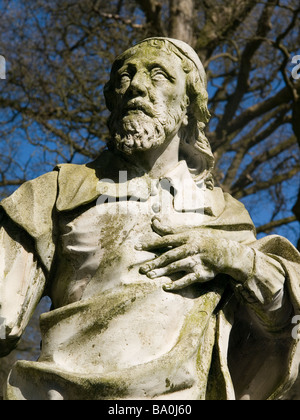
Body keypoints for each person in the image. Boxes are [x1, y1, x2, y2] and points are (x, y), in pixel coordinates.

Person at [0, 38, 299, 400]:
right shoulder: (54, 193)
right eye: (125, 76)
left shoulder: (224, 213)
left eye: (158, 75)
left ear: (189, 106)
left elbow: (283, 322)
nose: (137, 85)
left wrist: (234, 259)